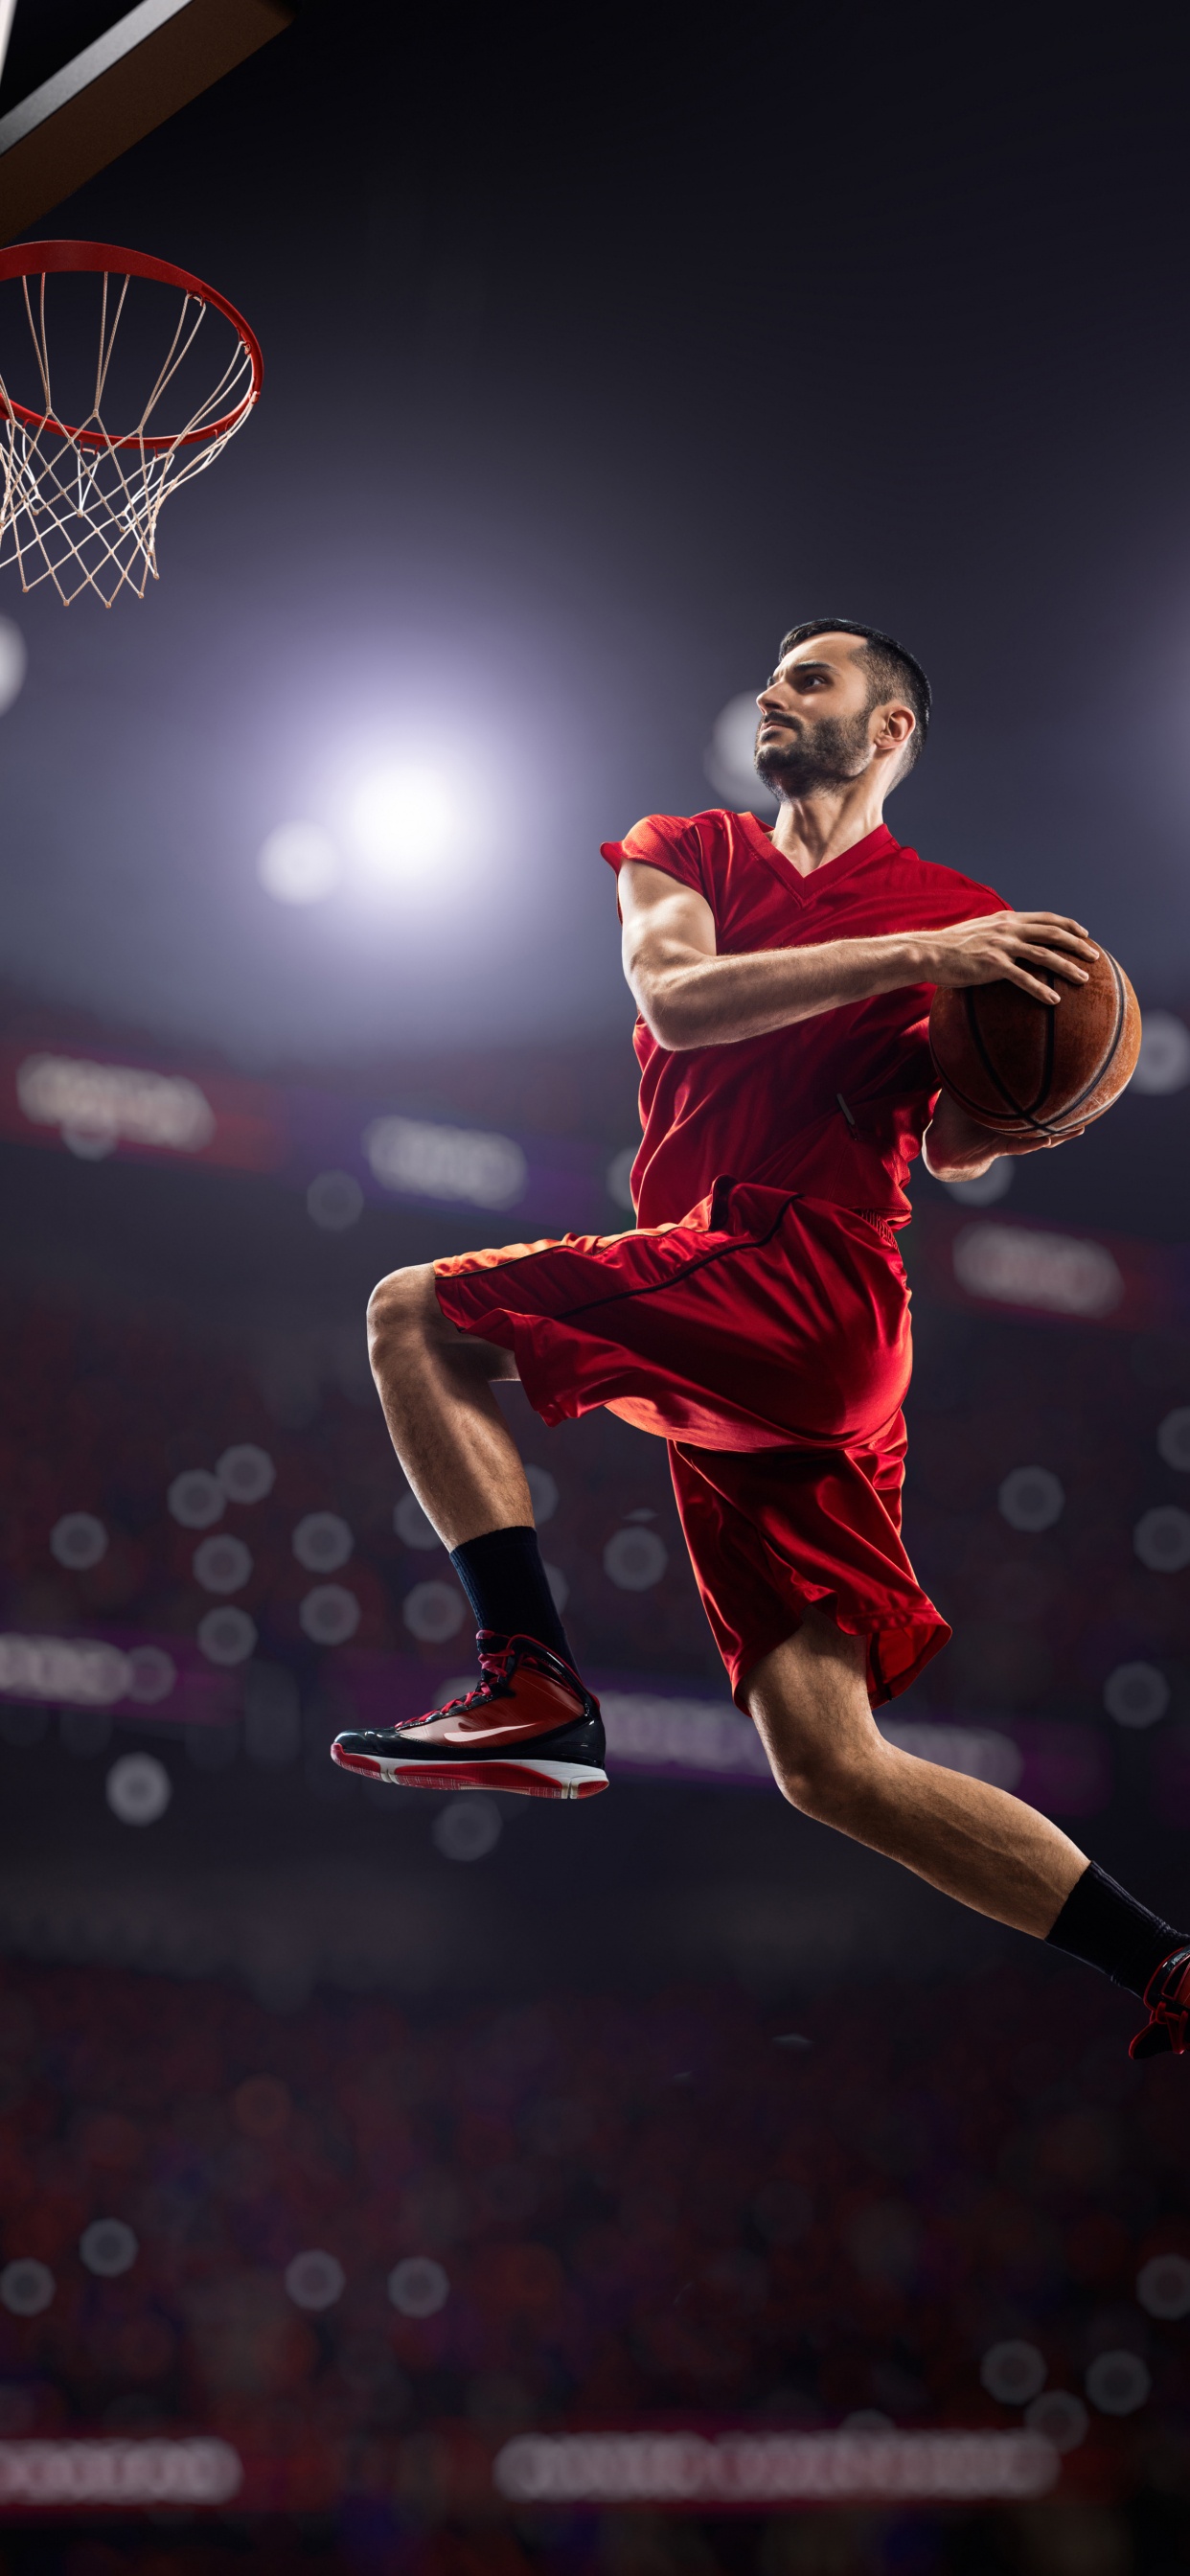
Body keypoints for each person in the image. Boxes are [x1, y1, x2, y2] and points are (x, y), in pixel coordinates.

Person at [332, 618, 1190, 2059]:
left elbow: (967, 1142)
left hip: (799, 1269)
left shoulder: (959, 911)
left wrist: (1056, 1079)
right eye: (775, 679)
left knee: (413, 1312)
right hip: (771, 1324)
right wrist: (923, 955)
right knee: (829, 1764)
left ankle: (528, 1674)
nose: (779, 697)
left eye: (815, 679)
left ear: (891, 729)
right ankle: (1160, 1963)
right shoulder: (693, 850)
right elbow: (673, 995)